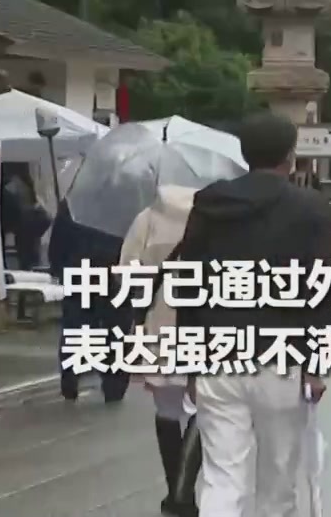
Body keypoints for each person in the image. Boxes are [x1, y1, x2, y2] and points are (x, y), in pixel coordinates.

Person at [174, 112, 331, 517]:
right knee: (278, 480)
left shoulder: (209, 204)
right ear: (290, 155)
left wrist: (191, 363)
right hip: (281, 358)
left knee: (222, 477)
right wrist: (316, 364)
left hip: (218, 355)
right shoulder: (308, 208)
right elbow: (320, 290)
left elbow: (189, 286)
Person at [121, 184, 199, 517]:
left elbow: (127, 269)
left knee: (166, 410)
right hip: (205, 317)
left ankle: (176, 492)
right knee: (203, 406)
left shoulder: (149, 217)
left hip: (161, 318)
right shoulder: (214, 216)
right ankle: (183, 490)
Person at [49, 198, 133, 403]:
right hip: (116, 273)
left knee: (76, 325)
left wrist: (59, 268)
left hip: (80, 270)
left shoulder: (75, 201)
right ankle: (114, 385)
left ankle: (70, 379)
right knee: (117, 331)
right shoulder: (131, 202)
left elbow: (58, 241)